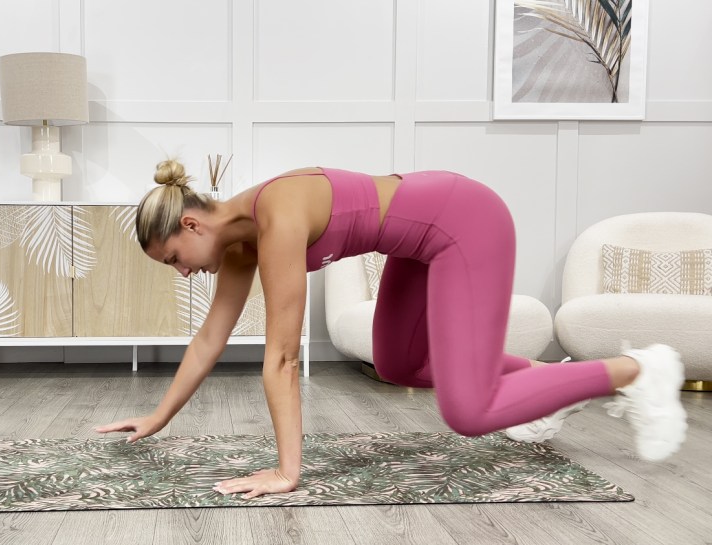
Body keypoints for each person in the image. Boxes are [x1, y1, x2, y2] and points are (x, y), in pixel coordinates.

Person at [96, 160, 688, 500]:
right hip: (415, 241)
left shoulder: (273, 221)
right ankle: (540, 390)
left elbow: (280, 359)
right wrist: (157, 417)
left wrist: (287, 472)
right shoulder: (240, 242)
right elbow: (209, 340)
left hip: (463, 221)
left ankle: (639, 370)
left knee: (468, 412)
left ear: (193, 224)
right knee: (400, 364)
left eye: (174, 257)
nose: (183, 272)